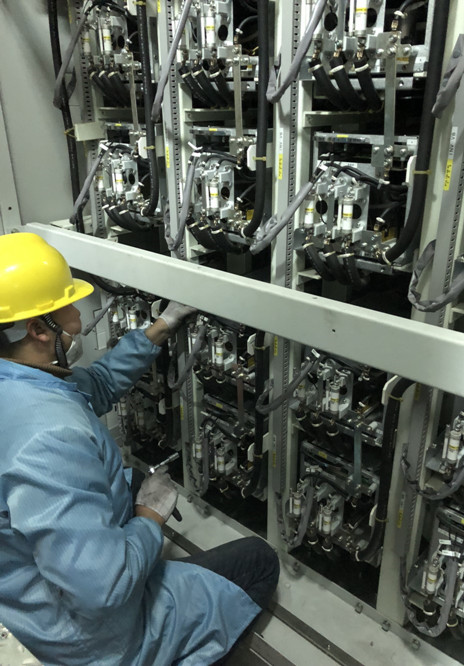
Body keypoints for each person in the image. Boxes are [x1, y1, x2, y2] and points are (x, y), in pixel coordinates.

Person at [0, 232, 279, 666]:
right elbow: (103, 592)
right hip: (86, 636)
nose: (78, 317)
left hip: (22, 590)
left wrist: (163, 324)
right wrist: (150, 519)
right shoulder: (48, 439)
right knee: (259, 562)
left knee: (127, 480)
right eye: (69, 306)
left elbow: (96, 385)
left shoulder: (21, 379)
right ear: (38, 329)